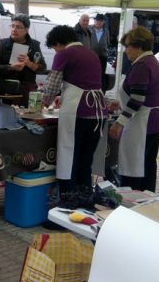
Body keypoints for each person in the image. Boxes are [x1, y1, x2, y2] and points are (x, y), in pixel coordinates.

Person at [41, 25, 107, 199]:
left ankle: (68, 202)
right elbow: (86, 81)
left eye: (54, 47)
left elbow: (52, 85)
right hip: (98, 112)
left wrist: (44, 102)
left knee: (69, 157)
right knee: (85, 161)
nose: (55, 51)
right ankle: (85, 199)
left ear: (58, 43)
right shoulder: (91, 53)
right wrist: (64, 95)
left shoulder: (64, 54)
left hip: (78, 112)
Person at [109, 26, 159, 192]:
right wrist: (121, 104)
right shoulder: (151, 62)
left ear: (138, 46)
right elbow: (142, 94)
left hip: (144, 123)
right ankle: (146, 199)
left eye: (127, 46)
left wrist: (119, 122)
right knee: (148, 164)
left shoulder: (142, 65)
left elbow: (137, 99)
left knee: (135, 166)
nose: (126, 50)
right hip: (154, 121)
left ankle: (131, 200)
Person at [0, 13, 46, 106]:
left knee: (26, 118)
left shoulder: (34, 45)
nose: (14, 29)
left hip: (26, 92)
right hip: (5, 91)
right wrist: (11, 67)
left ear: (26, 30)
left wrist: (29, 63)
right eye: (12, 26)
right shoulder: (2, 44)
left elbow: (43, 68)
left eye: (18, 27)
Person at [90, 14, 110, 91]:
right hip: (91, 56)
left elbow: (107, 42)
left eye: (100, 21)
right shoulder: (89, 29)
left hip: (102, 56)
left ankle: (101, 91)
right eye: (97, 21)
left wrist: (105, 50)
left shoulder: (106, 31)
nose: (98, 22)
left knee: (101, 75)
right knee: (91, 73)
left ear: (103, 22)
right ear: (94, 21)